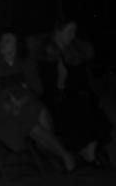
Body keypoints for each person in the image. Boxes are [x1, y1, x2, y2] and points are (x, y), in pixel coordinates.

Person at [0, 32, 76, 170]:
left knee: (41, 112)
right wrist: (9, 103)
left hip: (25, 104)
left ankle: (48, 151)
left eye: (7, 40)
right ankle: (63, 154)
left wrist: (22, 99)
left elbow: (36, 88)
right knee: (28, 119)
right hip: (1, 110)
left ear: (16, 45)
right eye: (1, 40)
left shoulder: (25, 64)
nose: (2, 43)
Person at [37, 17, 112, 167]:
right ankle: (86, 153)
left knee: (94, 112)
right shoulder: (46, 54)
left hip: (76, 95)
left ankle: (89, 152)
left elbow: (81, 79)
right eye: (69, 32)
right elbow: (46, 88)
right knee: (74, 112)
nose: (73, 36)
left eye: (74, 32)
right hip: (57, 98)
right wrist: (61, 82)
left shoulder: (74, 51)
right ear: (58, 32)